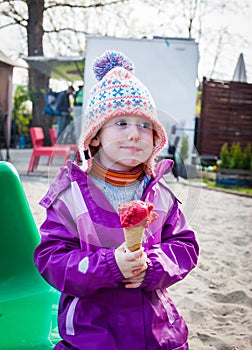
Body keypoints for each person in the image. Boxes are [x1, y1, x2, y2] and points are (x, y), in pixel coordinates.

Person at [34, 50, 199, 350]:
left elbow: (185, 247)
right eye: (121, 123)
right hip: (90, 331)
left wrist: (154, 265)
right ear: (95, 136)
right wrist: (109, 265)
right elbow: (51, 259)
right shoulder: (71, 197)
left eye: (145, 125)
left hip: (154, 330)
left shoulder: (160, 195)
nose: (135, 135)